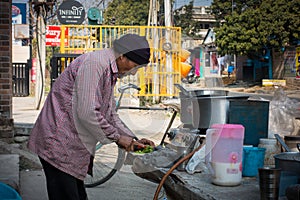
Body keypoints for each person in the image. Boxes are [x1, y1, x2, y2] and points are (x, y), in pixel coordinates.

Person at [27, 34, 155, 200]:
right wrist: (117, 138)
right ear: (122, 55)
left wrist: (132, 138)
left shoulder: (109, 70)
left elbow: (109, 113)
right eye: (134, 66)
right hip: (58, 144)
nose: (133, 72)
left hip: (72, 149)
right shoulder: (95, 64)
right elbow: (87, 113)